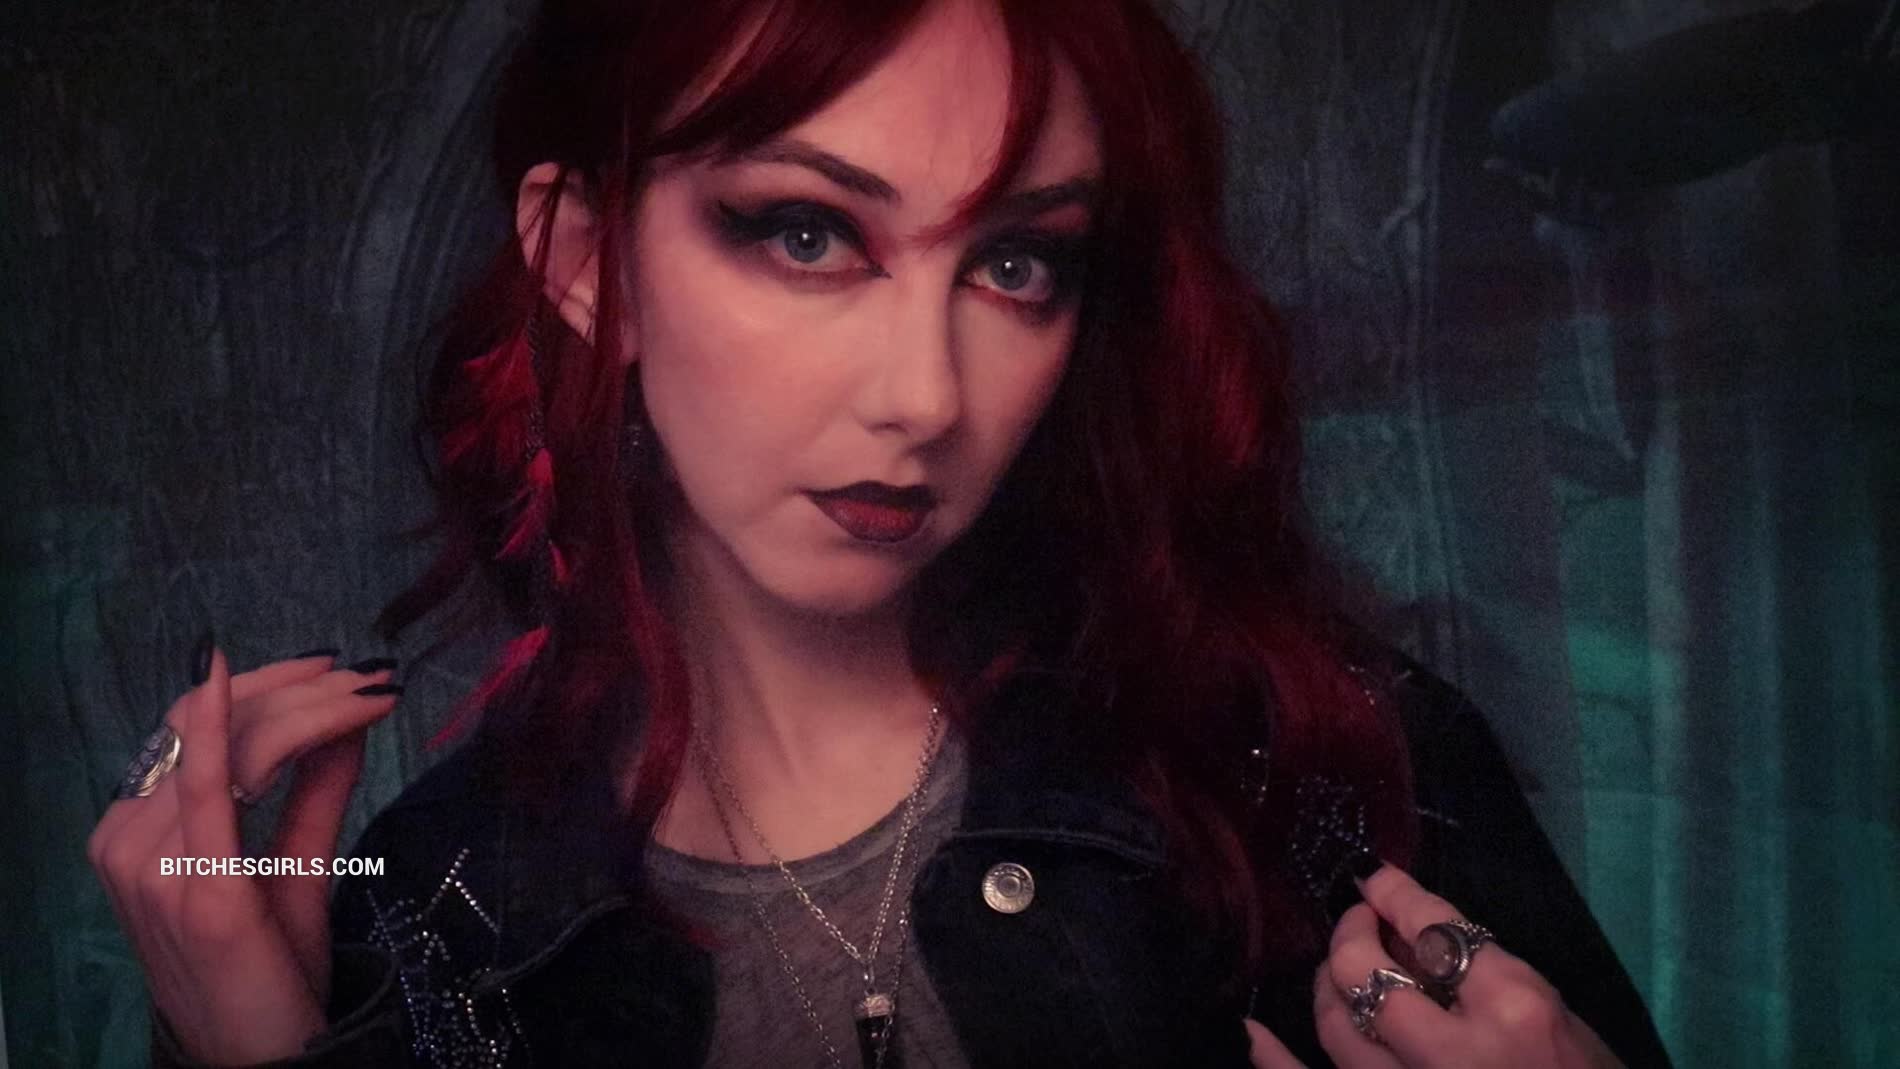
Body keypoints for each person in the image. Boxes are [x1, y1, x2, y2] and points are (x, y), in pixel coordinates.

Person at [86, 0, 1674, 1066]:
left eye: (1016, 265)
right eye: (807, 232)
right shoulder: (430, 919)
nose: (926, 396)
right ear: (582, 258)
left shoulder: (1314, 757)